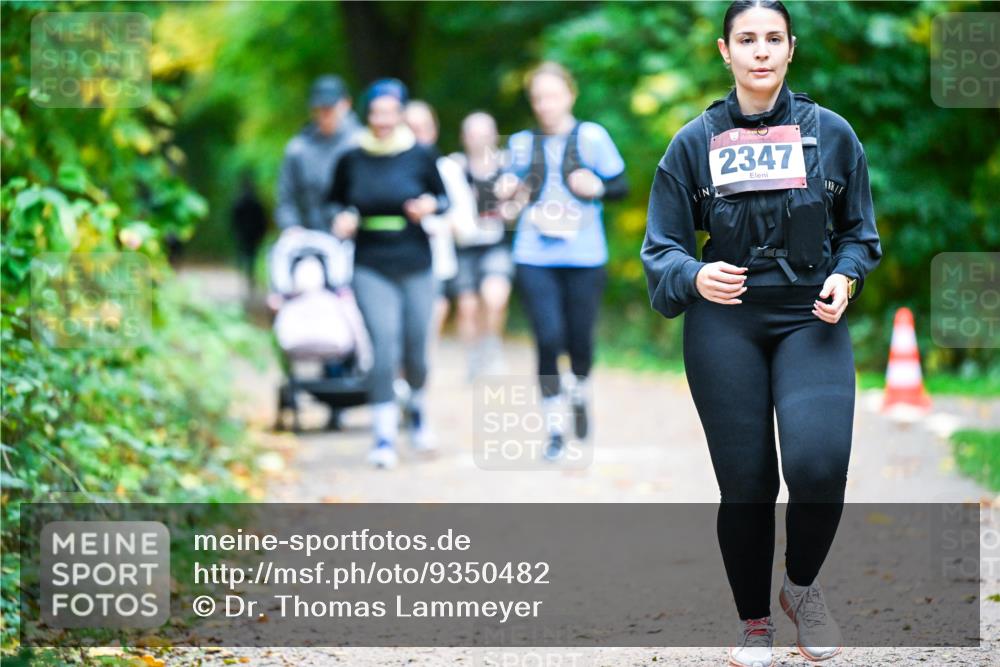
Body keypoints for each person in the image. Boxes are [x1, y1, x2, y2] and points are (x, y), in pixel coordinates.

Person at [640, 2, 882, 665]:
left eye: (773, 38)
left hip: (811, 317)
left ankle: (801, 589)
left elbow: (860, 236)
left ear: (791, 48)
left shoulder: (832, 133)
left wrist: (847, 277)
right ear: (725, 51)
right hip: (727, 321)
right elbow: (660, 248)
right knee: (747, 482)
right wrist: (693, 275)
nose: (760, 51)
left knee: (818, 464)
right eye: (746, 39)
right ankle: (754, 623)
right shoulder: (693, 141)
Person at [497, 62, 628, 461]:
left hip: (585, 254)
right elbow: (504, 201)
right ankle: (555, 429)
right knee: (548, 338)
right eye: (538, 98)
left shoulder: (591, 138)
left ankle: (580, 393)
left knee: (578, 340)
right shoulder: (521, 143)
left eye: (553, 96)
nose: (546, 105)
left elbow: (621, 186)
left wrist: (598, 187)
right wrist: (507, 195)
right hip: (534, 252)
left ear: (569, 95)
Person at [326, 78, 449, 469]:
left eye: (390, 113)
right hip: (370, 263)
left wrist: (429, 205)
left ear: (401, 115)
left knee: (416, 349)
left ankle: (417, 411)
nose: (383, 120)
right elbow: (332, 202)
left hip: (415, 260)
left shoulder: (420, 155)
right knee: (383, 346)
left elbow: (443, 198)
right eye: (376, 113)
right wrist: (340, 219)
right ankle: (382, 436)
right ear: (368, 115)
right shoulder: (351, 158)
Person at [445, 112, 516, 378]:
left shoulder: (507, 167)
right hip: (463, 246)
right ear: (464, 138)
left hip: (496, 243)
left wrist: (512, 205)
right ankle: (473, 357)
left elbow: (524, 201)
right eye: (474, 134)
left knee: (495, 297)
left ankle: (492, 346)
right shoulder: (453, 168)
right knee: (467, 307)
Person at [276, 75, 361, 233]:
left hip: (358, 239)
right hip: (312, 238)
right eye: (319, 109)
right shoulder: (298, 149)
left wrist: (354, 217)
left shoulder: (362, 144)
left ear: (346, 104)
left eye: (329, 108)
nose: (324, 114)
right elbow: (286, 198)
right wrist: (291, 227)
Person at [230, 172, 268, 293]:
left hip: (245, 234)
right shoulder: (255, 202)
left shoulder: (239, 202)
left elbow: (234, 220)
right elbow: (262, 220)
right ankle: (248, 276)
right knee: (251, 256)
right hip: (252, 234)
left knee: (245, 255)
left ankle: (246, 275)